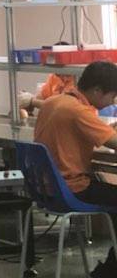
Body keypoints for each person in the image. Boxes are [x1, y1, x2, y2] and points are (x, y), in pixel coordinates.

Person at [35, 61, 117, 277]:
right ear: (97, 90)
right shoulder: (78, 111)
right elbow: (114, 142)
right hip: (72, 188)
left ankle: (110, 268)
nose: (113, 101)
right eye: (112, 96)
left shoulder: (53, 102)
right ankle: (110, 270)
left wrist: (106, 129)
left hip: (47, 189)